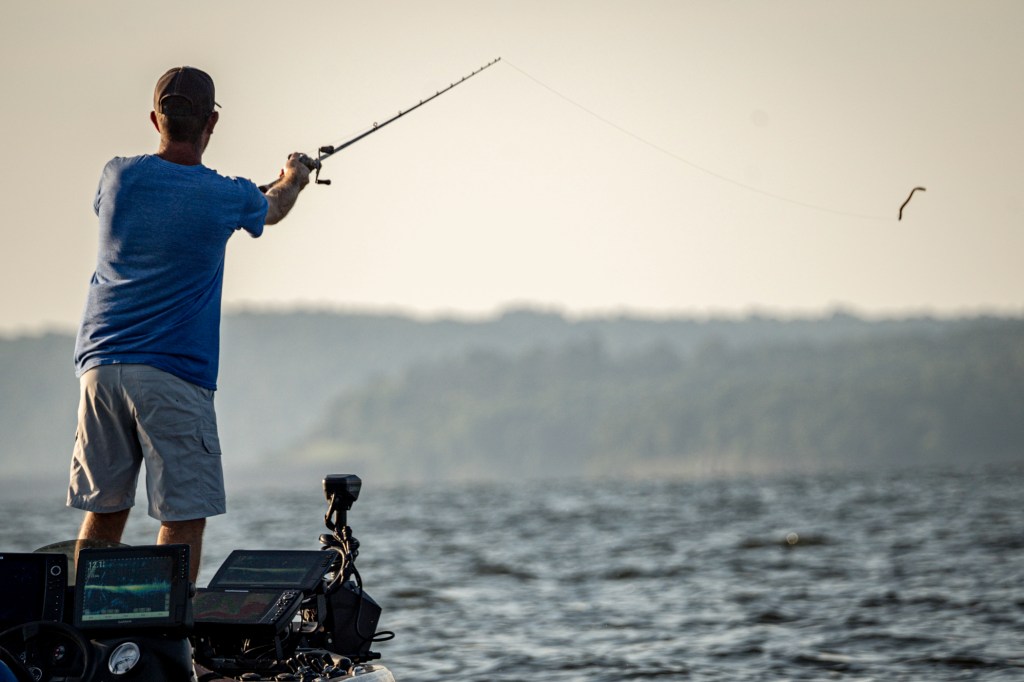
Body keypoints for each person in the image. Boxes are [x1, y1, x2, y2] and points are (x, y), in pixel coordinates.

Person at [67, 66, 314, 582]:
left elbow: (163, 202)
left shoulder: (117, 175)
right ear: (212, 122)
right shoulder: (227, 195)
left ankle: (79, 622)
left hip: (99, 370)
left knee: (106, 510)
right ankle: (169, 628)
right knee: (182, 516)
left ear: (155, 119)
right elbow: (272, 209)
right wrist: (294, 175)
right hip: (171, 374)